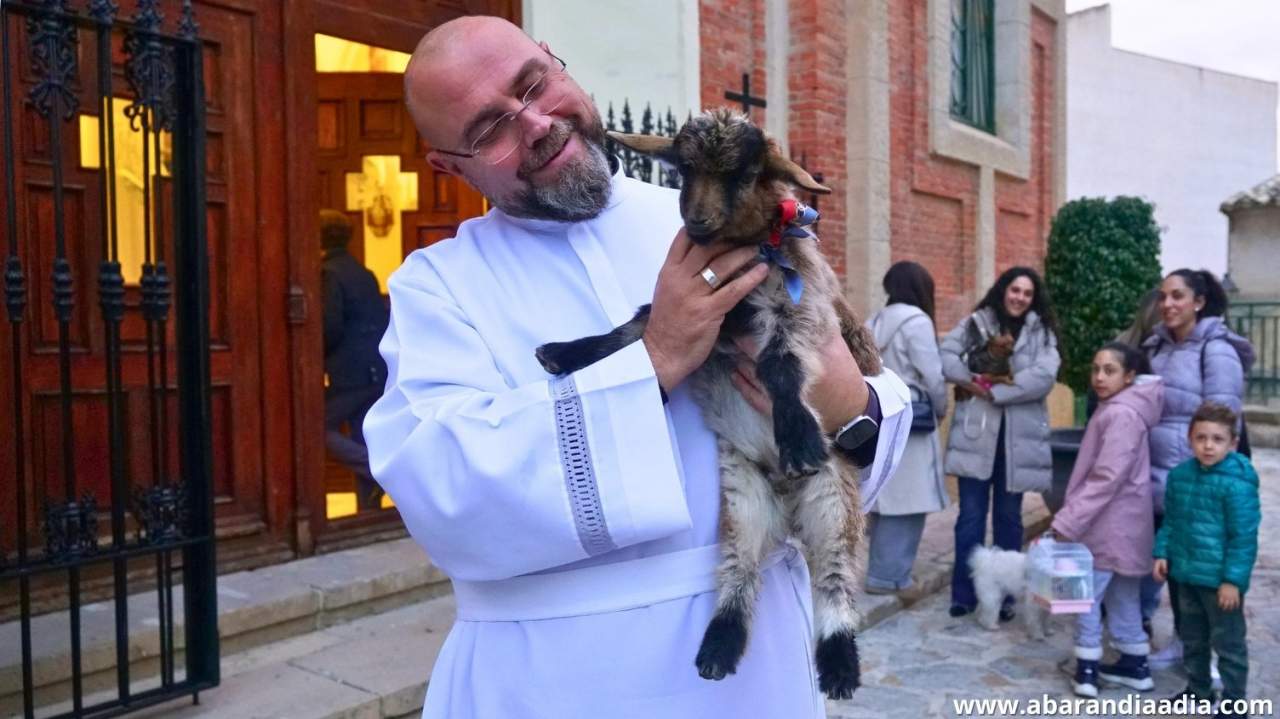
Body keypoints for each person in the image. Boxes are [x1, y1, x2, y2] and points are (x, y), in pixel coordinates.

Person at [362, 16, 912, 718]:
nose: (535, 123)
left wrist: (847, 403)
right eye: (488, 128)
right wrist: (653, 359)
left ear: (561, 66)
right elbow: (439, 490)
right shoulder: (435, 288)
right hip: (558, 681)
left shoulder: (735, 223)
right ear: (450, 166)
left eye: (535, 84)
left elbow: (867, 407)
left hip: (761, 669)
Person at [1141, 269, 1254, 668]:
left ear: (1199, 302)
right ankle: (1182, 641)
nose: (1168, 304)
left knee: (1203, 571)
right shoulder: (1156, 348)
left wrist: (1203, 478)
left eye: (1177, 296)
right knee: (1174, 564)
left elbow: (1223, 422)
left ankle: (1209, 654)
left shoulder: (1217, 351)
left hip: (1197, 479)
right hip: (1161, 477)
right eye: (1163, 296)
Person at [941, 266, 1060, 619]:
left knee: (1009, 518)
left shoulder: (1042, 332)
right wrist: (974, 383)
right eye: (1015, 290)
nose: (1020, 297)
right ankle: (964, 594)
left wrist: (998, 392)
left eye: (1027, 292)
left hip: (1018, 442)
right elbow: (946, 355)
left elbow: (1044, 376)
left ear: (1033, 297)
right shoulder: (978, 321)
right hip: (977, 436)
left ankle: (1008, 596)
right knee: (970, 518)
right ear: (1003, 290)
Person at [1051, 343, 1162, 698]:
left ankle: (1087, 671)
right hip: (1125, 526)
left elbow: (1106, 477)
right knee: (1123, 597)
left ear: (1129, 376)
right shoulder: (1121, 408)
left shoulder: (1121, 414)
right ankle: (1135, 665)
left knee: (1085, 597)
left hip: (1106, 526)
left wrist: (1067, 521)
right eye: (1096, 368)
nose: (1099, 377)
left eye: (1110, 370)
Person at [1154, 402, 1259, 716]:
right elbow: (1171, 520)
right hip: (1185, 575)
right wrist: (1162, 552)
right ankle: (1198, 690)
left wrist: (1232, 581)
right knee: (1193, 638)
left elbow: (1243, 538)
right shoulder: (1180, 476)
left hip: (1219, 583)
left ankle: (1234, 701)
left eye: (1217, 439)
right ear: (1190, 440)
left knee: (1228, 644)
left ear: (1232, 443)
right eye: (1201, 438)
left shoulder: (1238, 483)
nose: (1208, 445)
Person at [864, 261, 948, 594]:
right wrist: (941, 410)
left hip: (880, 415)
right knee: (910, 500)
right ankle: (889, 576)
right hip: (913, 417)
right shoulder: (917, 322)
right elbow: (933, 376)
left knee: (885, 498)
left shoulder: (873, 320)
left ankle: (881, 570)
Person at [321, 209, 389, 511]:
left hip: (348, 372)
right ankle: (368, 512)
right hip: (373, 368)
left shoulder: (329, 273)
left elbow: (329, 325)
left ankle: (378, 475)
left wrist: (315, 359)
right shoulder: (362, 271)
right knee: (364, 436)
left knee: (316, 430)